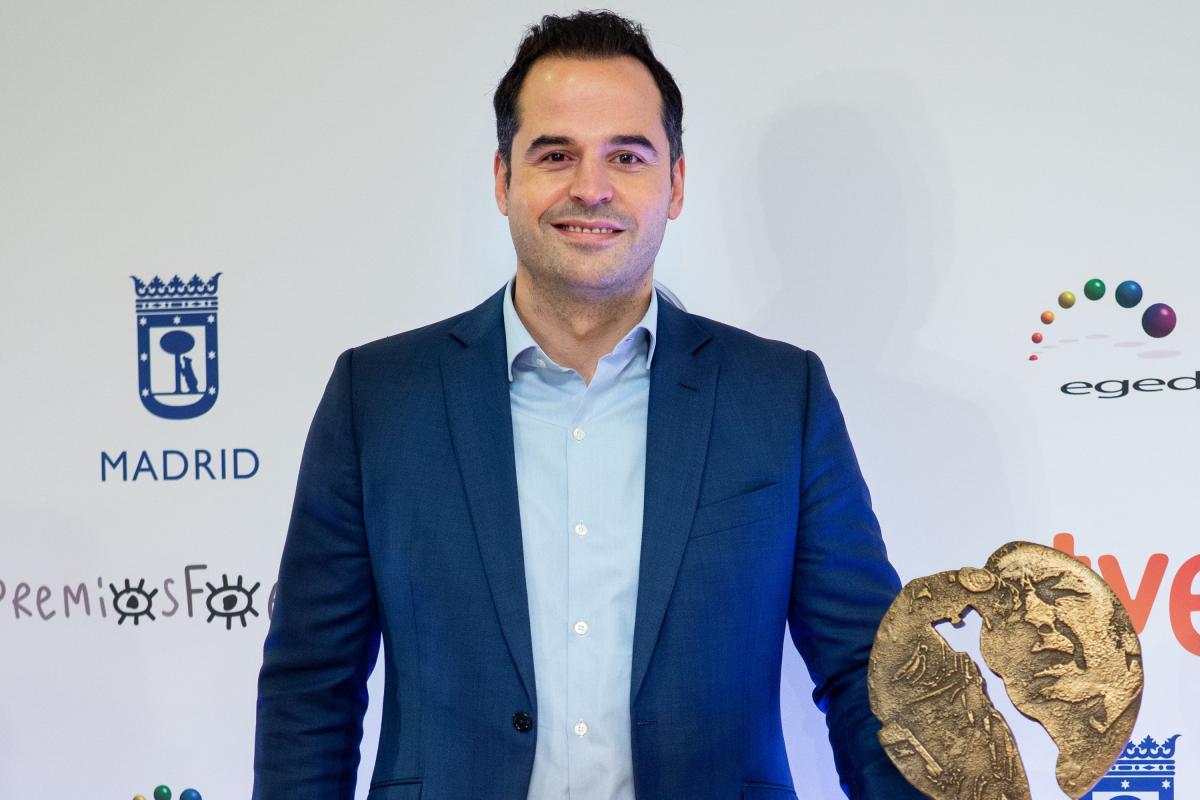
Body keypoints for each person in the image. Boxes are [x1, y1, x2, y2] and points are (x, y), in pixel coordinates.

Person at [254, 11, 920, 800]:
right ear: (502, 179)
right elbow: (312, 689)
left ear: (675, 184)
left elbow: (872, 675)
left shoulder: (780, 398)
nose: (591, 187)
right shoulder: (379, 398)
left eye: (627, 156)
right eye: (556, 154)